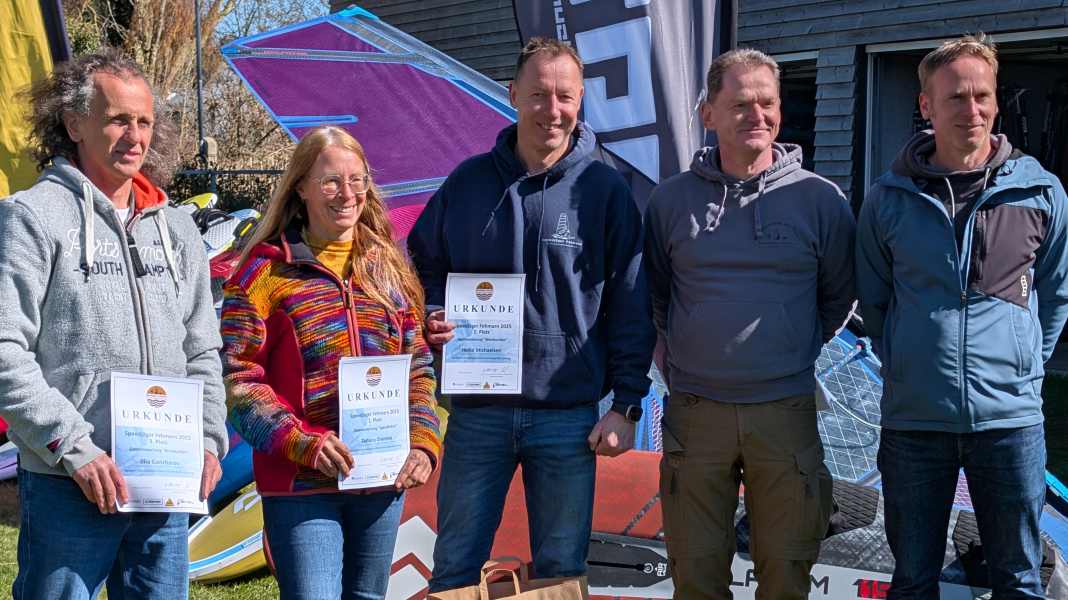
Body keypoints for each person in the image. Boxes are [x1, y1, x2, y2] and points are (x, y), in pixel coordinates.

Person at [407, 37, 655, 591]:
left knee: (560, 575)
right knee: (453, 567)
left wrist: (628, 403)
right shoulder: (467, 183)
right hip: (476, 413)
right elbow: (421, 265)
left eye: (564, 96)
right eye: (539, 94)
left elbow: (631, 302)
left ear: (581, 99)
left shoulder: (604, 190)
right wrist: (433, 311)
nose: (552, 109)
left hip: (566, 416)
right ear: (513, 93)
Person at [0, 50, 228, 599]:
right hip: (71, 483)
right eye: (117, 119)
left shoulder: (177, 229)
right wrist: (75, 448)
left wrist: (209, 441)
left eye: (144, 120)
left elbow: (203, 349)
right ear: (74, 124)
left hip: (167, 485)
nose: (134, 136)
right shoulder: (31, 217)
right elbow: (5, 348)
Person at [856, 34, 1068, 598]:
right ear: (926, 105)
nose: (970, 110)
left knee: (1020, 581)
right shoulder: (888, 198)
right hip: (915, 422)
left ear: (996, 102)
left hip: (1010, 425)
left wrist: (1023, 366)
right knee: (912, 579)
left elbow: (1056, 291)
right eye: (954, 97)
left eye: (981, 96)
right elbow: (874, 301)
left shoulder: (1040, 191)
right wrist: (909, 360)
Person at [644, 48, 856, 600]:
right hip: (695, 416)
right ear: (707, 113)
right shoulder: (669, 201)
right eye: (740, 103)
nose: (756, 115)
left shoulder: (821, 200)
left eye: (767, 102)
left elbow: (837, 296)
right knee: (695, 578)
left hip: (785, 413)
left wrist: (792, 345)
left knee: (787, 577)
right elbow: (657, 296)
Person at [221, 125, 441, 599]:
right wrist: (304, 443)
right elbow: (239, 385)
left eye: (357, 180)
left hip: (381, 479)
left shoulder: (389, 269)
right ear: (300, 186)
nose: (347, 194)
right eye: (330, 182)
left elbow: (418, 369)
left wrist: (423, 443)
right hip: (302, 482)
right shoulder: (262, 273)